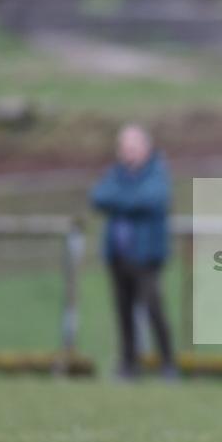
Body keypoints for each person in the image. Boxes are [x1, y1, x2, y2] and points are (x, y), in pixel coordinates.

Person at [91, 124, 177, 380]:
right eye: (124, 148)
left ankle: (168, 364)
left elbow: (151, 199)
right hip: (118, 256)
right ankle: (128, 365)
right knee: (123, 312)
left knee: (153, 310)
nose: (127, 153)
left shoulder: (157, 172)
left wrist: (120, 200)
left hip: (146, 256)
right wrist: (129, 199)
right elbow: (98, 197)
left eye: (132, 147)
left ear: (145, 148)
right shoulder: (116, 173)